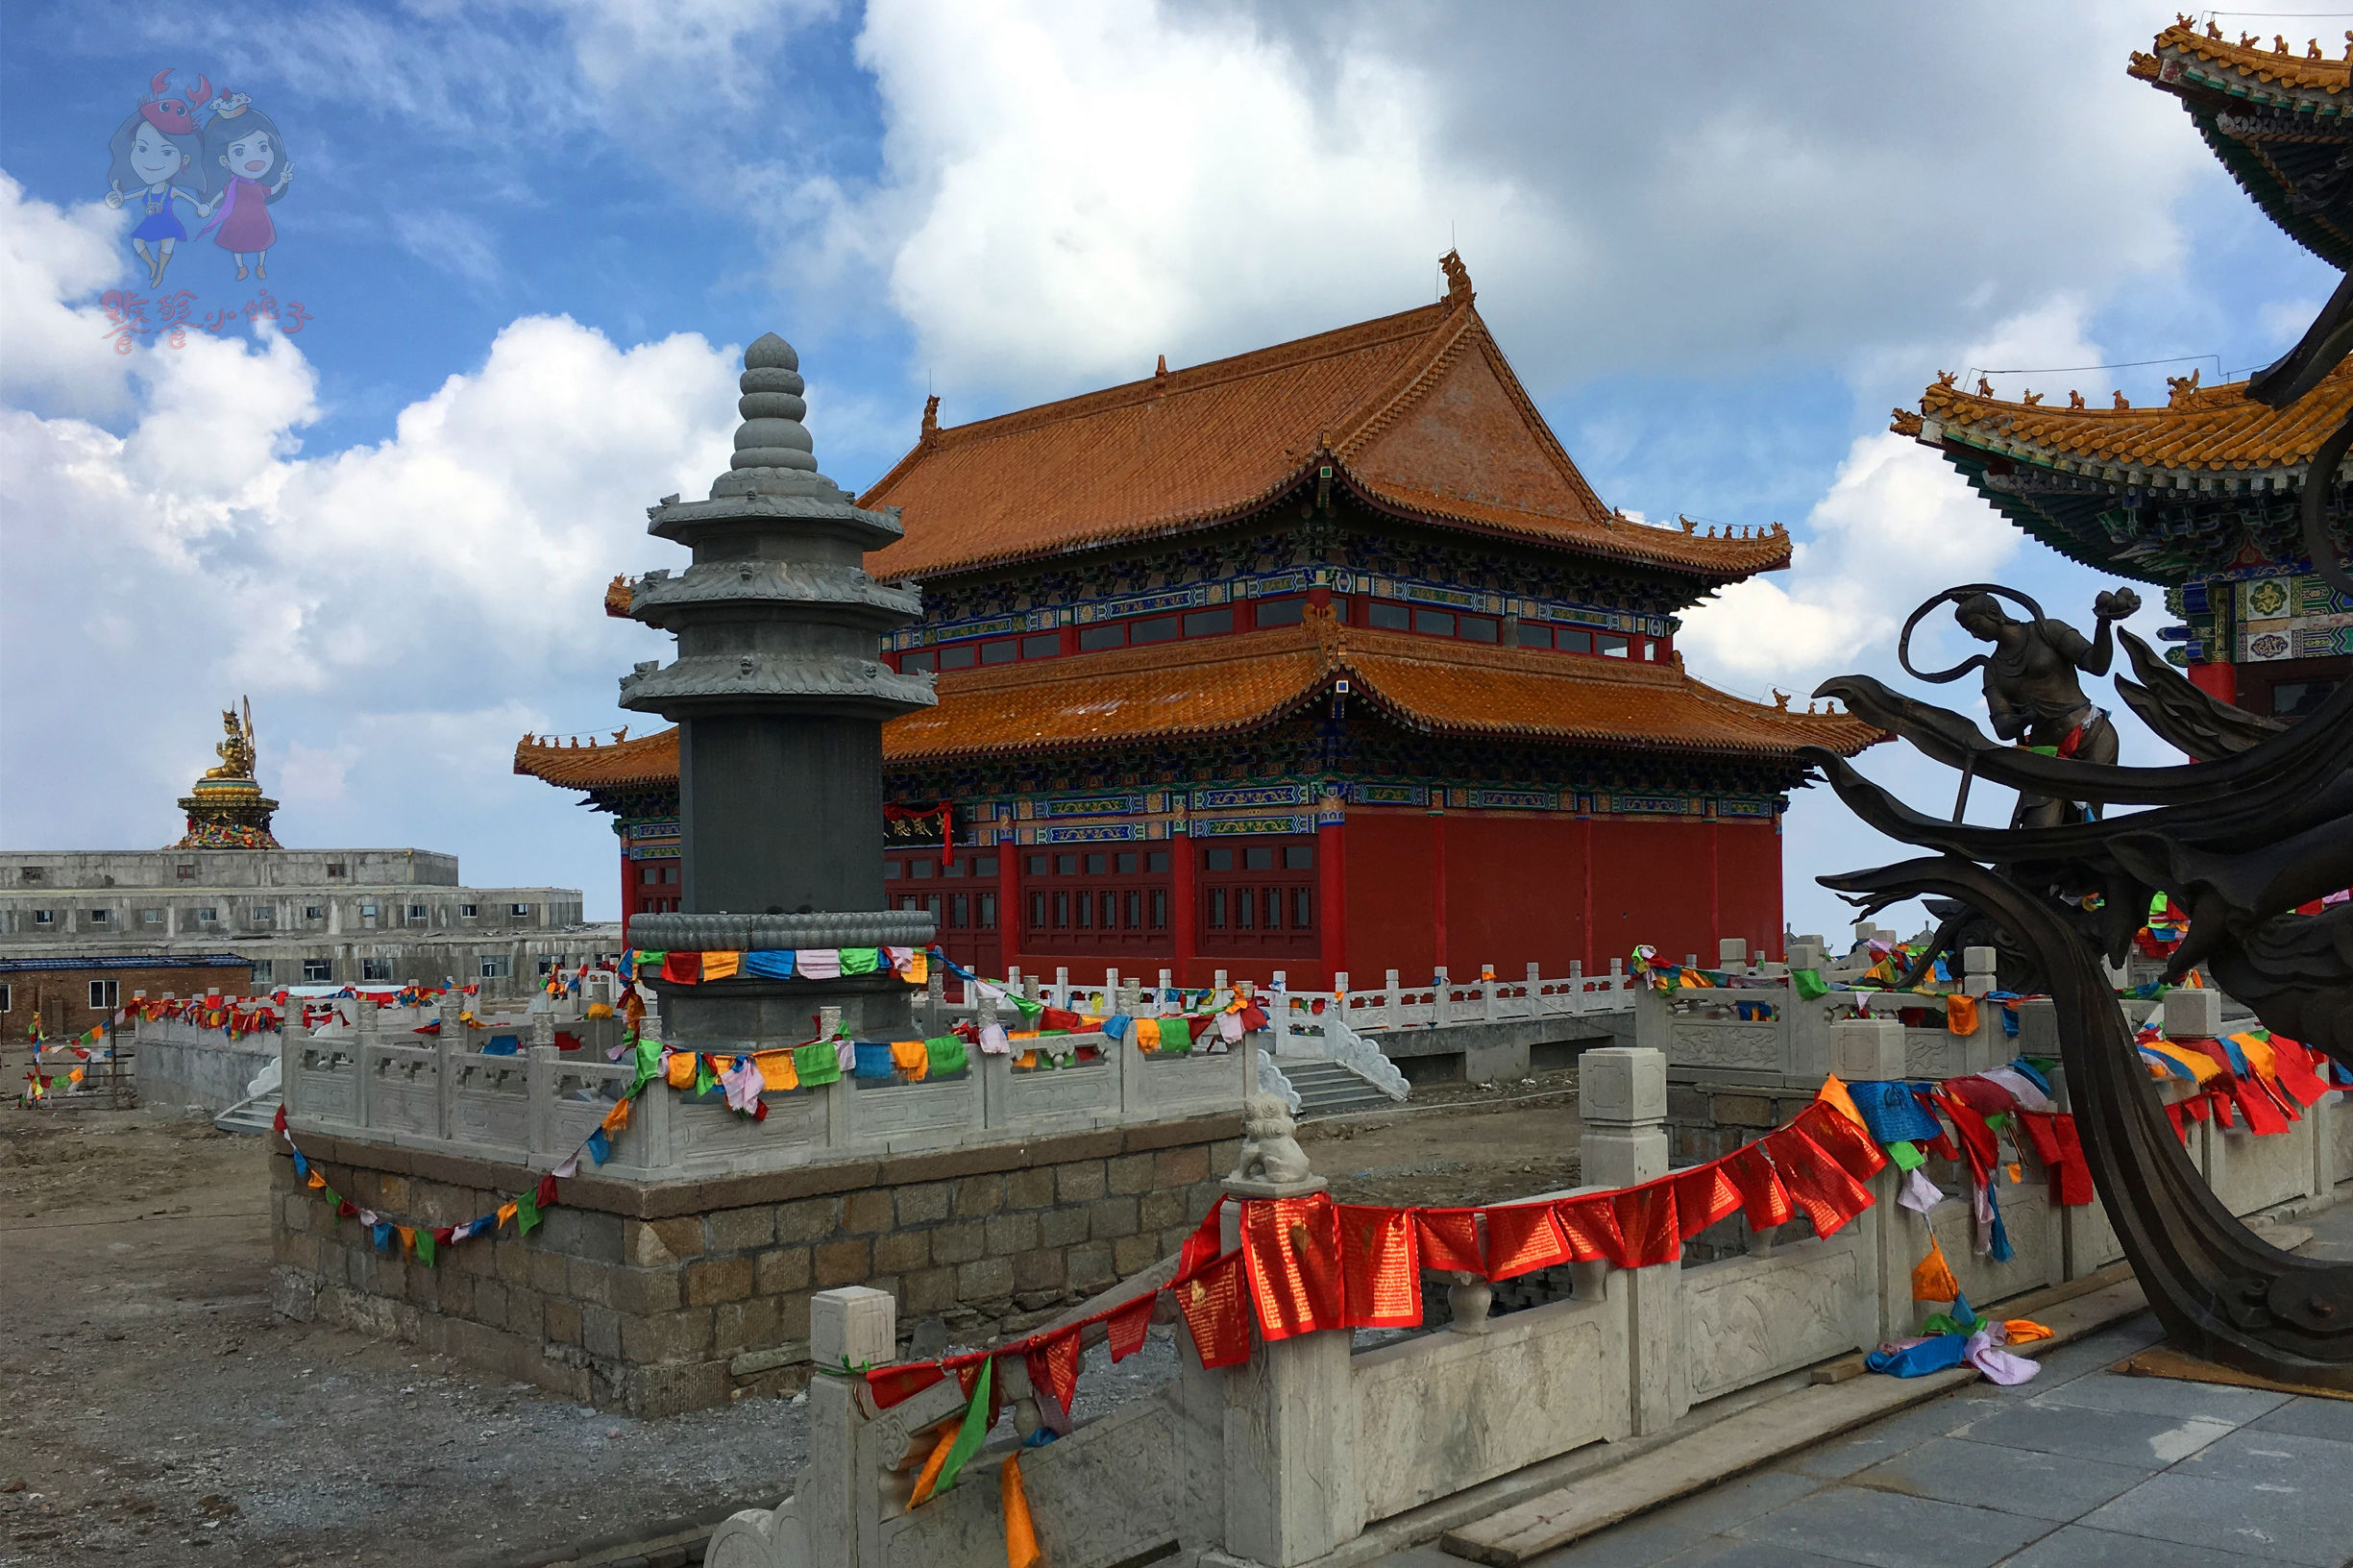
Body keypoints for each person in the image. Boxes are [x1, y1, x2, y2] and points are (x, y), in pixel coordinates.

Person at [1952, 587, 2141, 827]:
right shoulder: (1993, 669)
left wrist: (2103, 624)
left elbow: (2096, 664)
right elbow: (2003, 726)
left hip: (2090, 733)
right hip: (2045, 749)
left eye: (1974, 624)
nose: (1974, 634)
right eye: (1968, 630)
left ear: (1993, 612)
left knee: (2083, 820)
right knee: (2040, 827)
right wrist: (2024, 718)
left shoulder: (2047, 630)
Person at [102, 72, 211, 288]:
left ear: (183, 160)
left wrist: (201, 206)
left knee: (167, 246)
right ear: (132, 148)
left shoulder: (171, 190)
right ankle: (153, 265)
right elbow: (129, 195)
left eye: (167, 152)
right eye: (143, 149)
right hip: (152, 220)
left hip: (168, 222)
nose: (152, 160)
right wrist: (119, 196)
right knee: (137, 242)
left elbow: (190, 199)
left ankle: (160, 272)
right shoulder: (148, 190)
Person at [195, 95, 293, 281]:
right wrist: (208, 205)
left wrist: (282, 180)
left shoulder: (257, 186)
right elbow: (219, 196)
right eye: (239, 151)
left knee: (262, 242)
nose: (254, 157)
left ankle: (260, 265)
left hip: (258, 220)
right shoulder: (232, 186)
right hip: (237, 220)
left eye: (263, 147)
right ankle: (241, 268)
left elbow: (271, 190)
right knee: (236, 244)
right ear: (225, 160)